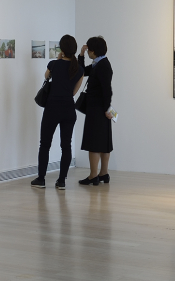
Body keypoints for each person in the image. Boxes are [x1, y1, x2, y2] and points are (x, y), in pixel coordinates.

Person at [30, 34, 84, 190]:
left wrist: (59, 59)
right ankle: (61, 181)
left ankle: (41, 179)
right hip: (68, 109)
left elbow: (46, 76)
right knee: (66, 145)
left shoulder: (54, 64)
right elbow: (74, 92)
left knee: (45, 144)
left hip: (52, 108)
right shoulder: (79, 69)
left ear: (62, 49)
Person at [77, 36, 114, 186]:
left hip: (98, 109)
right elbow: (81, 71)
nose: (87, 53)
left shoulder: (102, 65)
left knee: (94, 143)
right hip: (101, 108)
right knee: (104, 142)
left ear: (93, 51)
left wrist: (106, 109)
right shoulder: (99, 64)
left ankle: (94, 175)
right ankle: (103, 173)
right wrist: (80, 55)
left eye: (88, 51)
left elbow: (107, 90)